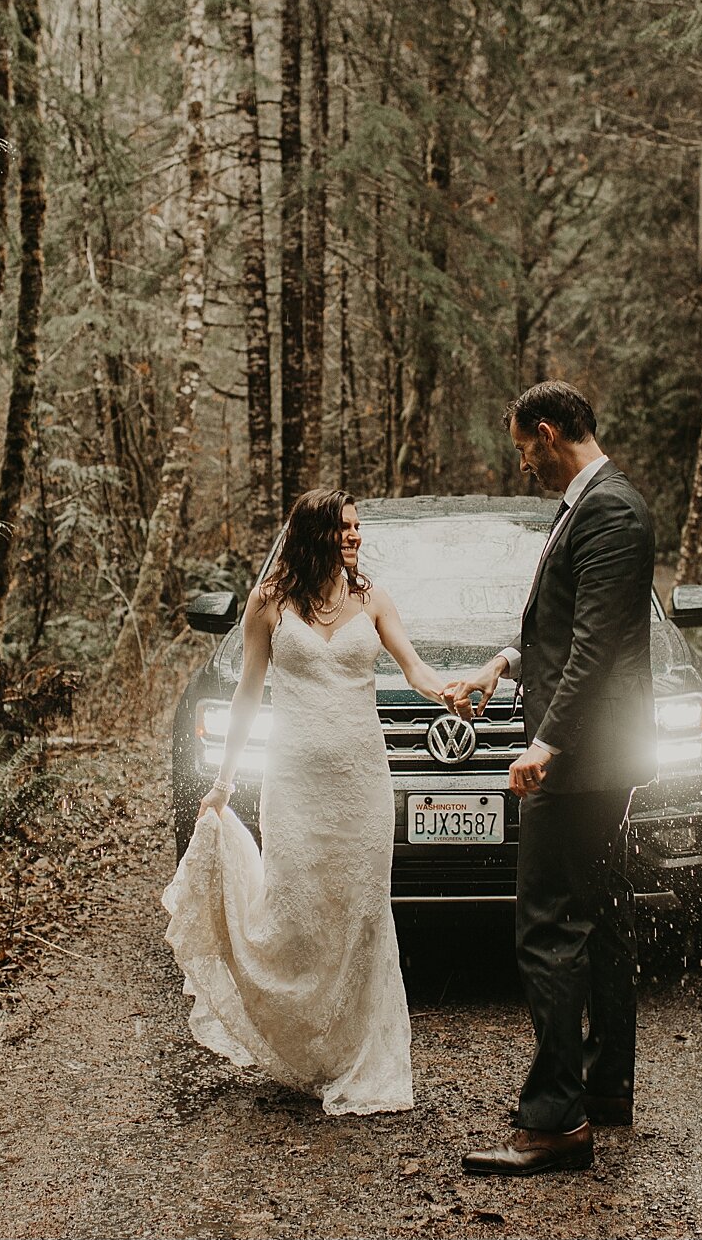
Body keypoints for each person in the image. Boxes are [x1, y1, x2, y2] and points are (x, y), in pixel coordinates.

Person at [160, 488, 453, 1115]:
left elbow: (417, 670)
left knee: (363, 912)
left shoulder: (373, 601)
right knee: (297, 914)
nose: (356, 537)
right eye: (345, 528)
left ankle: (358, 1057)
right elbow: (246, 697)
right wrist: (223, 781)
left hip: (362, 786)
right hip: (293, 785)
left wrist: (450, 694)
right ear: (315, 532)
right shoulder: (269, 604)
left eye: (357, 527)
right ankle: (307, 1050)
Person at [444, 381, 656, 1175]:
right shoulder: (592, 502)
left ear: (545, 430)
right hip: (596, 757)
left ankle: (554, 1120)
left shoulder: (609, 508)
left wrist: (548, 744)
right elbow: (564, 625)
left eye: (523, 448)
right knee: (600, 915)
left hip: (583, 762)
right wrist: (505, 660)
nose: (523, 463)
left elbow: (597, 648)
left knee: (547, 927)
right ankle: (606, 1087)